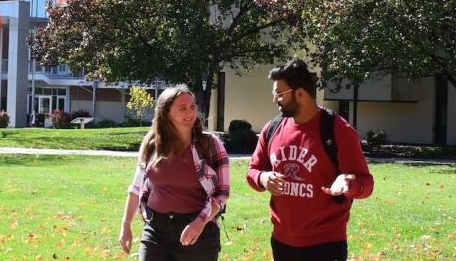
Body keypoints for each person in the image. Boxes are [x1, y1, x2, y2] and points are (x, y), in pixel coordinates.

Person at [247, 60, 374, 261]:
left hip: (325, 244)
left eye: (279, 94)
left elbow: (366, 184)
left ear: (300, 93)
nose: (274, 100)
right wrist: (263, 178)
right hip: (282, 241)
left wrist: (348, 183)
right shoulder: (272, 128)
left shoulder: (338, 130)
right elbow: (253, 169)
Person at [119, 87, 230, 260]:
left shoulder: (210, 145)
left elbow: (221, 195)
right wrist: (125, 225)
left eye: (192, 106)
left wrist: (200, 222)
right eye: (182, 108)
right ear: (166, 113)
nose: (190, 112)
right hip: (156, 231)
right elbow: (136, 188)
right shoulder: (152, 144)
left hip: (199, 233)